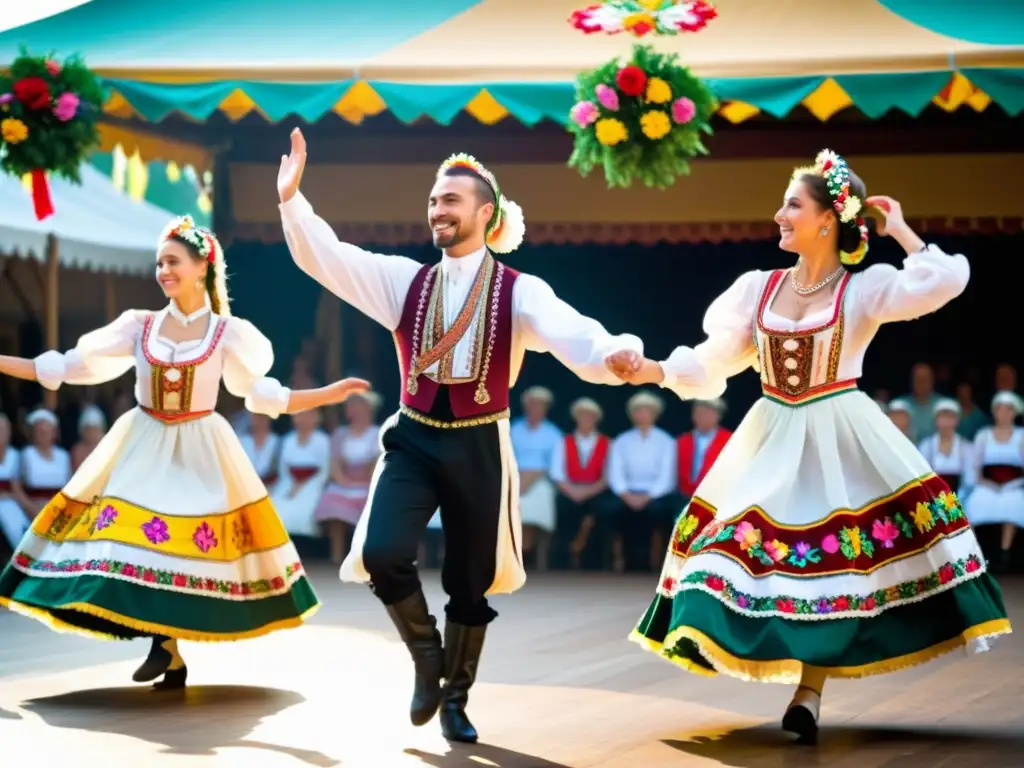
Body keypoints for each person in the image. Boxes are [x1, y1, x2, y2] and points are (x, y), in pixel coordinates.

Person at [614, 150, 1010, 744]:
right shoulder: (758, 289)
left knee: (837, 571)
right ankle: (723, 640)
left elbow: (944, 281)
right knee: (728, 549)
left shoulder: (862, 290)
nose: (779, 214)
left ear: (827, 219)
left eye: (792, 205)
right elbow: (713, 357)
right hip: (772, 432)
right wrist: (652, 369)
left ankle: (809, 694)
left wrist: (898, 228)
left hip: (839, 435)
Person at [277, 128, 642, 742]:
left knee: (468, 581)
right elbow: (332, 259)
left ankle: (456, 697)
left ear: (485, 212)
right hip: (415, 439)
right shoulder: (403, 281)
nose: (437, 210)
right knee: (382, 554)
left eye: (450, 200)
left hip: (479, 445)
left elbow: (573, 332)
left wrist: (616, 353)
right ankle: (426, 653)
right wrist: (292, 200)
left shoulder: (520, 291)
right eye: (433, 200)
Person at [0, 215, 370, 689]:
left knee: (181, 546)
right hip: (142, 442)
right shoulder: (140, 325)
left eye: (172, 261)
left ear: (202, 267)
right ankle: (165, 646)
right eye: (159, 263)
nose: (163, 271)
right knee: (124, 537)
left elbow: (260, 394)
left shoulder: (226, 332)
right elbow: (71, 366)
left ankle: (167, 647)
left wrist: (325, 394)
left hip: (199, 450)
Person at [314, 390, 384, 564]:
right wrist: (345, 481)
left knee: (374, 504)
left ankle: (367, 555)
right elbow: (335, 464)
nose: (351, 409)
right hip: (344, 482)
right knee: (332, 499)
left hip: (370, 483)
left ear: (368, 408)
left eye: (356, 405)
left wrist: (365, 482)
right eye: (350, 405)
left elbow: (378, 463)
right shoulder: (340, 434)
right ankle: (337, 554)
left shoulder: (378, 433)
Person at [963, 391, 1024, 573]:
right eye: (1000, 409)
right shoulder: (983, 435)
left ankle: (1004, 554)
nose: (1004, 413)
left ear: (1014, 412)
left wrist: (1017, 483)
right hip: (987, 485)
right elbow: (975, 464)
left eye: (1008, 410)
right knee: (974, 506)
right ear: (994, 411)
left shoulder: (1021, 435)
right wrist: (981, 482)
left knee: (1014, 504)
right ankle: (972, 554)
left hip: (1014, 486)